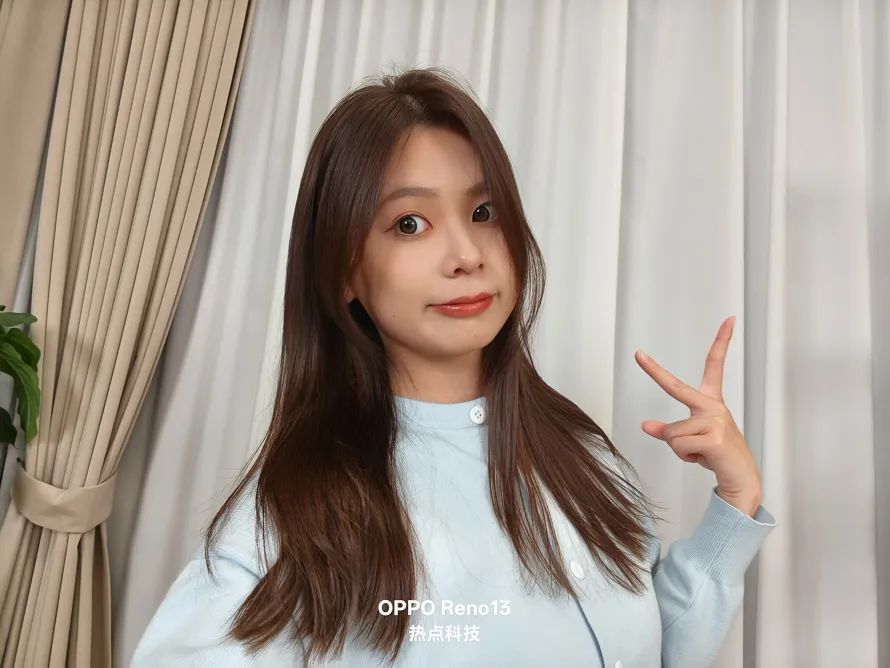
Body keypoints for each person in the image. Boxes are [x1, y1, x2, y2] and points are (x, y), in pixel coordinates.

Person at [131, 66, 776, 668]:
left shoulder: (582, 455)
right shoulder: (293, 520)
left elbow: (650, 651)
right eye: (410, 223)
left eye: (483, 213)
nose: (467, 253)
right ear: (344, 270)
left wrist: (734, 504)